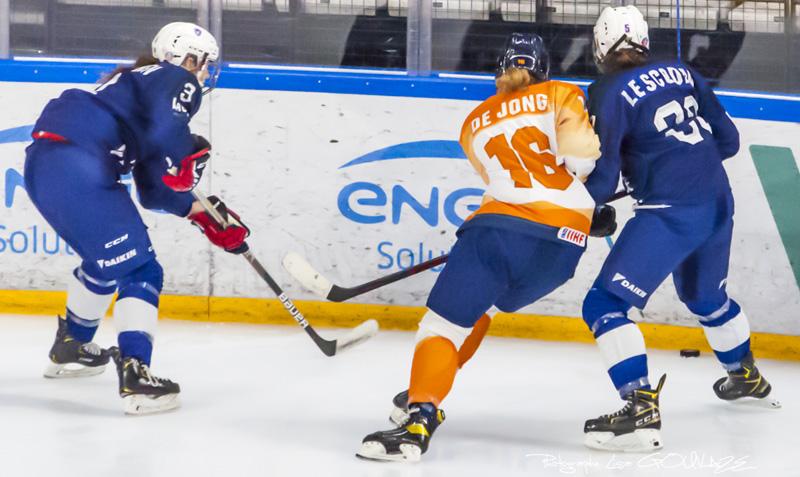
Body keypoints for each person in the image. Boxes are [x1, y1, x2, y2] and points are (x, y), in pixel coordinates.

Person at [356, 33, 609, 462]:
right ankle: (429, 384)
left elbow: (500, 177)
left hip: (499, 233)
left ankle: (420, 418)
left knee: (441, 329)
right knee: (483, 308)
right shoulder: (562, 93)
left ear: (499, 71)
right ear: (544, 69)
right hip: (563, 249)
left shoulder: (474, 122)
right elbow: (582, 160)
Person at [24, 22, 250, 414]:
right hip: (80, 165)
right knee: (142, 270)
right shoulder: (175, 78)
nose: (205, 73)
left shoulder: (139, 89)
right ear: (187, 58)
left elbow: (154, 190)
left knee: (107, 260)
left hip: (46, 166)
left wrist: (203, 216)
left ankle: (73, 345)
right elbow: (166, 135)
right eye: (204, 63)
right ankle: (136, 376)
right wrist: (182, 156)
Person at [580, 5, 778, 452]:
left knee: (604, 304)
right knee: (706, 298)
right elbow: (728, 141)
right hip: (717, 199)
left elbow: (604, 178)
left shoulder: (606, 91)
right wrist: (677, 164)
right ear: (644, 41)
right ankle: (744, 374)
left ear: (601, 46)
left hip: (670, 211)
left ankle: (639, 407)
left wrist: (581, 207)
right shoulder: (681, 70)